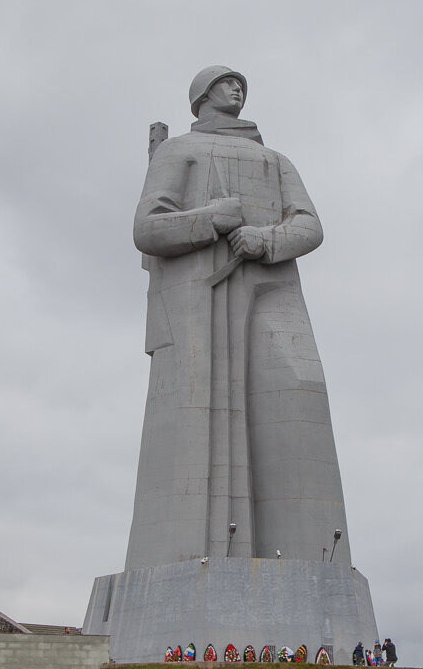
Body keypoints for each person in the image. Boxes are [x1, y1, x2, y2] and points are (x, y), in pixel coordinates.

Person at [123, 66, 352, 569]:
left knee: (298, 397)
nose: (238, 90)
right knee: (195, 423)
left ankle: (313, 561)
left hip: (272, 288)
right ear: (201, 96)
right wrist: (210, 220)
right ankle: (194, 559)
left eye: (241, 85)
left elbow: (310, 225)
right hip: (197, 301)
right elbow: (147, 229)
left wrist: (266, 240)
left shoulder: (275, 160)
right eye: (227, 84)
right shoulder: (177, 151)